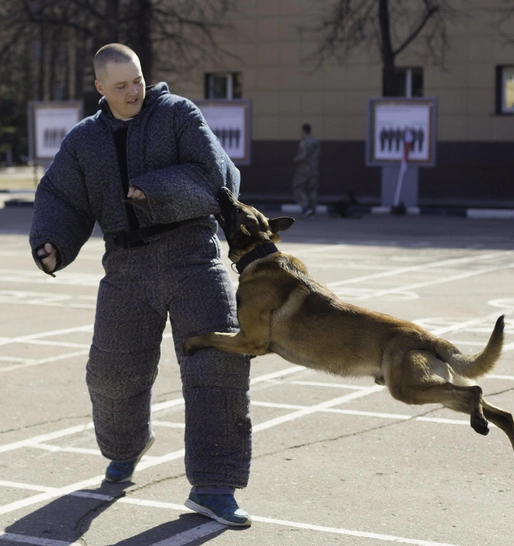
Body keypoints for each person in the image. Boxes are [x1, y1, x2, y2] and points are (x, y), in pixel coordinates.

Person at [29, 43, 252, 527]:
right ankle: (126, 449)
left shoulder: (177, 114)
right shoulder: (84, 140)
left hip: (193, 256)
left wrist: (157, 189)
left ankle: (215, 487)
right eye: (122, 85)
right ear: (100, 89)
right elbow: (62, 197)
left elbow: (219, 175)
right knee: (111, 374)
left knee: (217, 369)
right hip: (126, 268)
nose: (134, 91)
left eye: (138, 81)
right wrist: (51, 243)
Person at [292, 123, 321, 218]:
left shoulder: (304, 142)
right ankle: (312, 209)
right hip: (314, 169)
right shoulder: (316, 142)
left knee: (299, 188)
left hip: (303, 170)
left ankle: (306, 208)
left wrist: (295, 159)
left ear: (303, 131)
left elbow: (303, 156)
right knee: (312, 189)